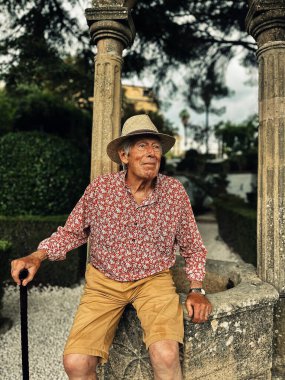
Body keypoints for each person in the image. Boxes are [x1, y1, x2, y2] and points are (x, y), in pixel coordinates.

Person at [11, 114, 212, 380]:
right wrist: (37, 256)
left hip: (154, 281)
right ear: (124, 155)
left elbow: (192, 246)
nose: (152, 153)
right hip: (104, 283)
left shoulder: (174, 192)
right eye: (142, 145)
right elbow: (72, 232)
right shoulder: (100, 190)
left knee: (166, 355)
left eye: (156, 147)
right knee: (76, 363)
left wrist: (196, 288)